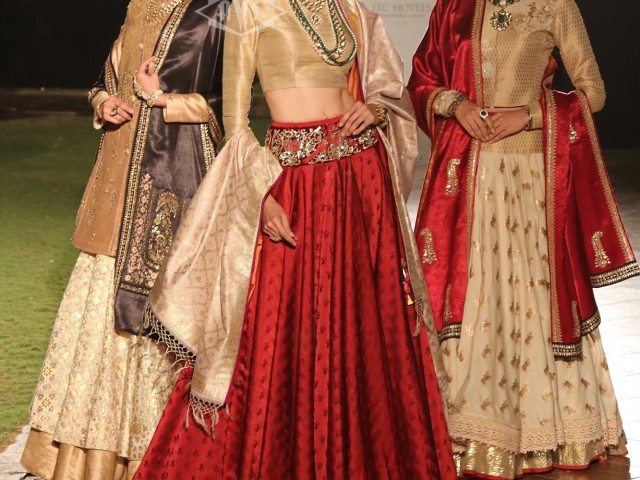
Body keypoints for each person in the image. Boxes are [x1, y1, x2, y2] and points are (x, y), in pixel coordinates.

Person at [133, 0, 457, 478]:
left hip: (361, 181)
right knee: (274, 330)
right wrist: (260, 196)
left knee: (368, 327)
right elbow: (237, 124)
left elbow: (389, 92)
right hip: (294, 186)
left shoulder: (348, 8)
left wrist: (375, 110)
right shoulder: (251, 7)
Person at [408, 0, 639, 478]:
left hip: (534, 182)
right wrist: (457, 105)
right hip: (473, 179)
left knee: (537, 301)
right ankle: (469, 433)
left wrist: (529, 115)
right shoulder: (454, 6)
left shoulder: (556, 5)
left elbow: (593, 92)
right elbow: (422, 79)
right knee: (479, 299)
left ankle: (550, 432)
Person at [21, 0, 226, 478]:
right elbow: (104, 80)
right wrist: (103, 103)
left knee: (156, 317)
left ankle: (151, 455)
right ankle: (81, 459)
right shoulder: (137, 5)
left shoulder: (211, 10)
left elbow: (224, 106)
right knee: (96, 316)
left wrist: (162, 100)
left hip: (167, 189)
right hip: (115, 187)